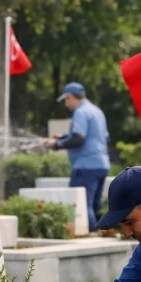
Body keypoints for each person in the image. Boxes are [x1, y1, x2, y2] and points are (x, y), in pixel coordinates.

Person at [45, 82, 110, 232]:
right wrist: (63, 137)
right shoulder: (96, 111)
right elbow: (98, 137)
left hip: (85, 166)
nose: (66, 105)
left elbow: (78, 139)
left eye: (66, 100)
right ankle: (100, 235)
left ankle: (91, 239)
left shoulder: (80, 113)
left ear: (71, 97)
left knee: (82, 205)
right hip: (101, 164)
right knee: (95, 205)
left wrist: (57, 145)